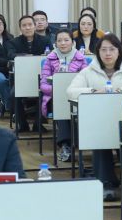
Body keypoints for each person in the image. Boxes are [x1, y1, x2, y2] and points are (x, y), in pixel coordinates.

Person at [37, 29, 91, 164]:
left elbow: (87, 82)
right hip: (53, 98)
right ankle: (65, 145)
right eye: (59, 40)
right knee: (61, 105)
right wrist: (57, 90)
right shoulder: (50, 59)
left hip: (75, 97)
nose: (63, 43)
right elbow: (43, 84)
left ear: (72, 42)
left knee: (70, 105)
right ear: (55, 43)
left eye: (66, 40)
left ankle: (75, 143)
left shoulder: (81, 59)